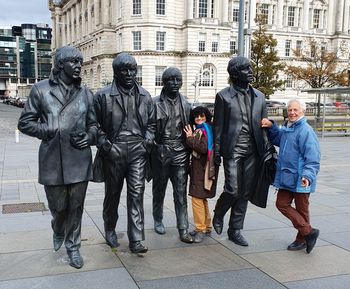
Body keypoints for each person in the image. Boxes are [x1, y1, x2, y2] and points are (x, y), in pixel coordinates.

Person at [18, 46, 97, 269]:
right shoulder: (40, 90)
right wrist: (45, 130)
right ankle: (57, 227)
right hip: (52, 159)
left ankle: (73, 247)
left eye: (80, 63)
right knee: (59, 207)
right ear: (61, 65)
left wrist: (89, 136)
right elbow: (25, 123)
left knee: (76, 206)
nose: (79, 66)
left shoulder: (86, 94)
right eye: (74, 62)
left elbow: (94, 125)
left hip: (79, 158)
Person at [93, 53, 156, 254]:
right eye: (124, 70)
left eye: (132, 69)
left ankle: (136, 239)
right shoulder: (103, 96)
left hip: (138, 149)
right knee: (112, 194)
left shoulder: (145, 96)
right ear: (115, 72)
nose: (129, 74)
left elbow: (153, 124)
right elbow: (93, 124)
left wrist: (148, 140)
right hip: (115, 149)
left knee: (136, 194)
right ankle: (110, 228)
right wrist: (105, 145)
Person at [212, 56, 267, 246]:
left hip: (254, 150)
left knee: (245, 192)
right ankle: (218, 213)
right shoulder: (223, 96)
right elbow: (217, 127)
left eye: (250, 67)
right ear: (235, 73)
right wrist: (216, 153)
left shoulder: (260, 96)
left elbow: (264, 126)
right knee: (232, 189)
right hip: (232, 149)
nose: (251, 71)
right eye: (246, 69)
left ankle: (235, 229)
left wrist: (267, 150)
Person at [261, 98, 320, 254]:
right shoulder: (289, 128)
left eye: (295, 110)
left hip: (301, 178)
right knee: (282, 203)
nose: (292, 113)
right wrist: (272, 126)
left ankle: (302, 239)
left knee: (302, 210)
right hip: (288, 176)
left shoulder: (305, 130)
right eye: (290, 110)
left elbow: (313, 157)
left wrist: (308, 175)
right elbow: (278, 138)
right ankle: (309, 231)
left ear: (303, 111)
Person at [151, 67, 193, 243]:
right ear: (164, 82)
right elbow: (150, 128)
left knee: (180, 192)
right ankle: (158, 218)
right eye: (171, 80)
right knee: (159, 189)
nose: (175, 83)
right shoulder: (154, 103)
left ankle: (183, 228)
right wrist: (154, 145)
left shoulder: (187, 104)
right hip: (162, 150)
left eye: (178, 80)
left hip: (181, 152)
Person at [184, 106, 217, 243]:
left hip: (202, 171)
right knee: (202, 199)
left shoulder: (205, 130)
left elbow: (203, 148)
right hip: (201, 170)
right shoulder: (205, 128)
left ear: (206, 117)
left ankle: (200, 229)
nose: (199, 118)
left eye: (202, 116)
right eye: (196, 116)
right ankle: (207, 227)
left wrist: (190, 138)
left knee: (197, 200)